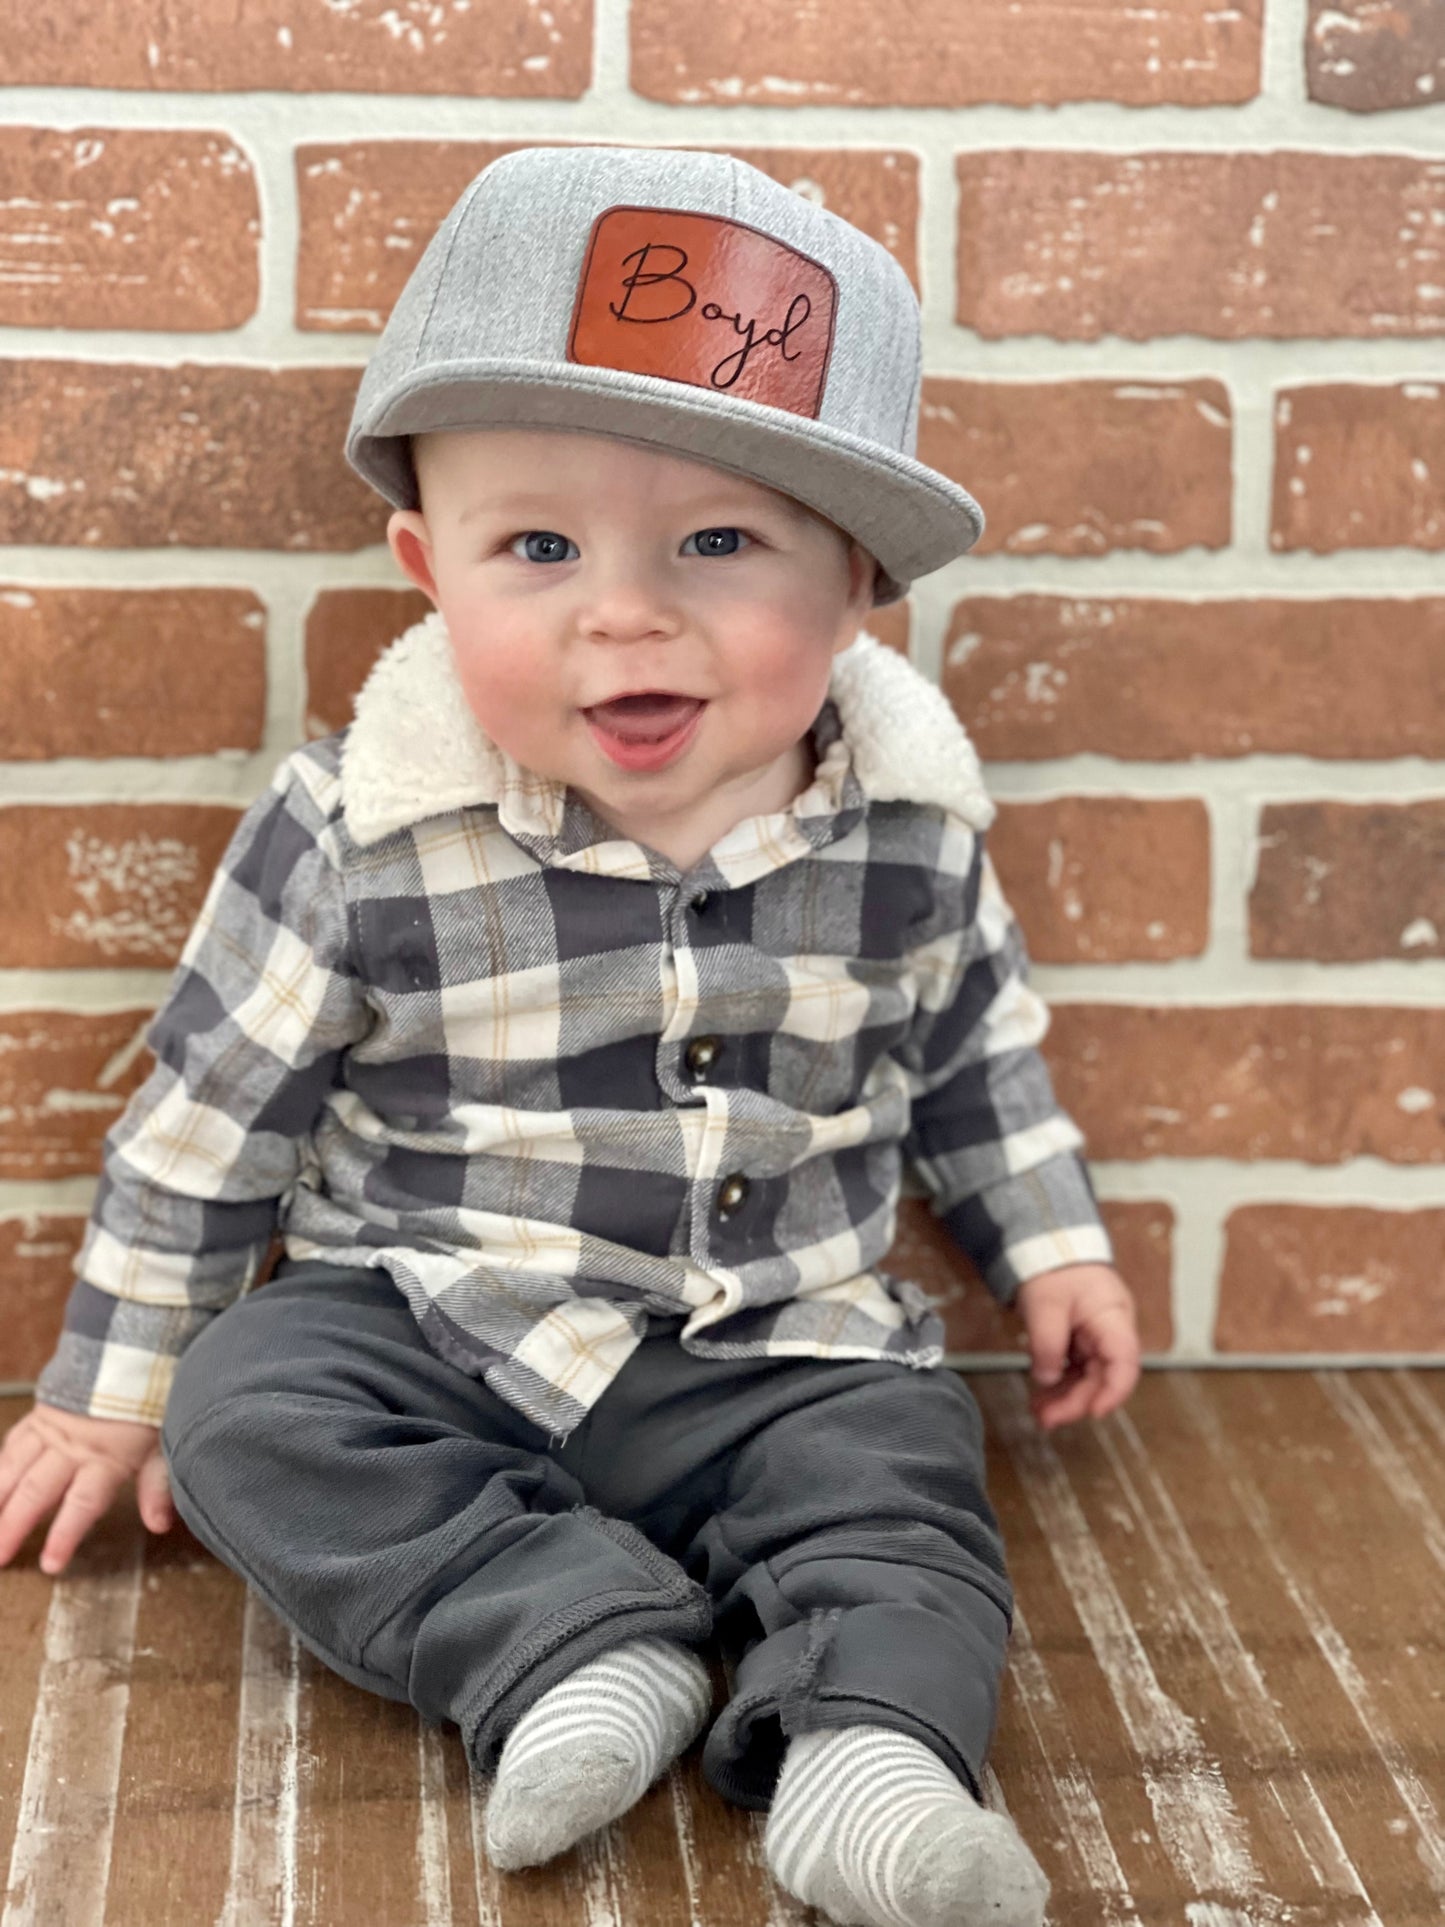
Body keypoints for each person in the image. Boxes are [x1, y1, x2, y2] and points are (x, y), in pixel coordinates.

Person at [0, 146, 1140, 1927]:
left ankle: (870, 1759)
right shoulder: (369, 830)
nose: (623, 609)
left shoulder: (908, 831)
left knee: (905, 1485)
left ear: (855, 586)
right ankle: (566, 1649)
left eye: (718, 541)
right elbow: (208, 1126)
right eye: (536, 545)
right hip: (441, 1330)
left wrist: (1049, 1246)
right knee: (252, 1410)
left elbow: (973, 1058)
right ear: (425, 569)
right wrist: (108, 1394)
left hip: (784, 1353)